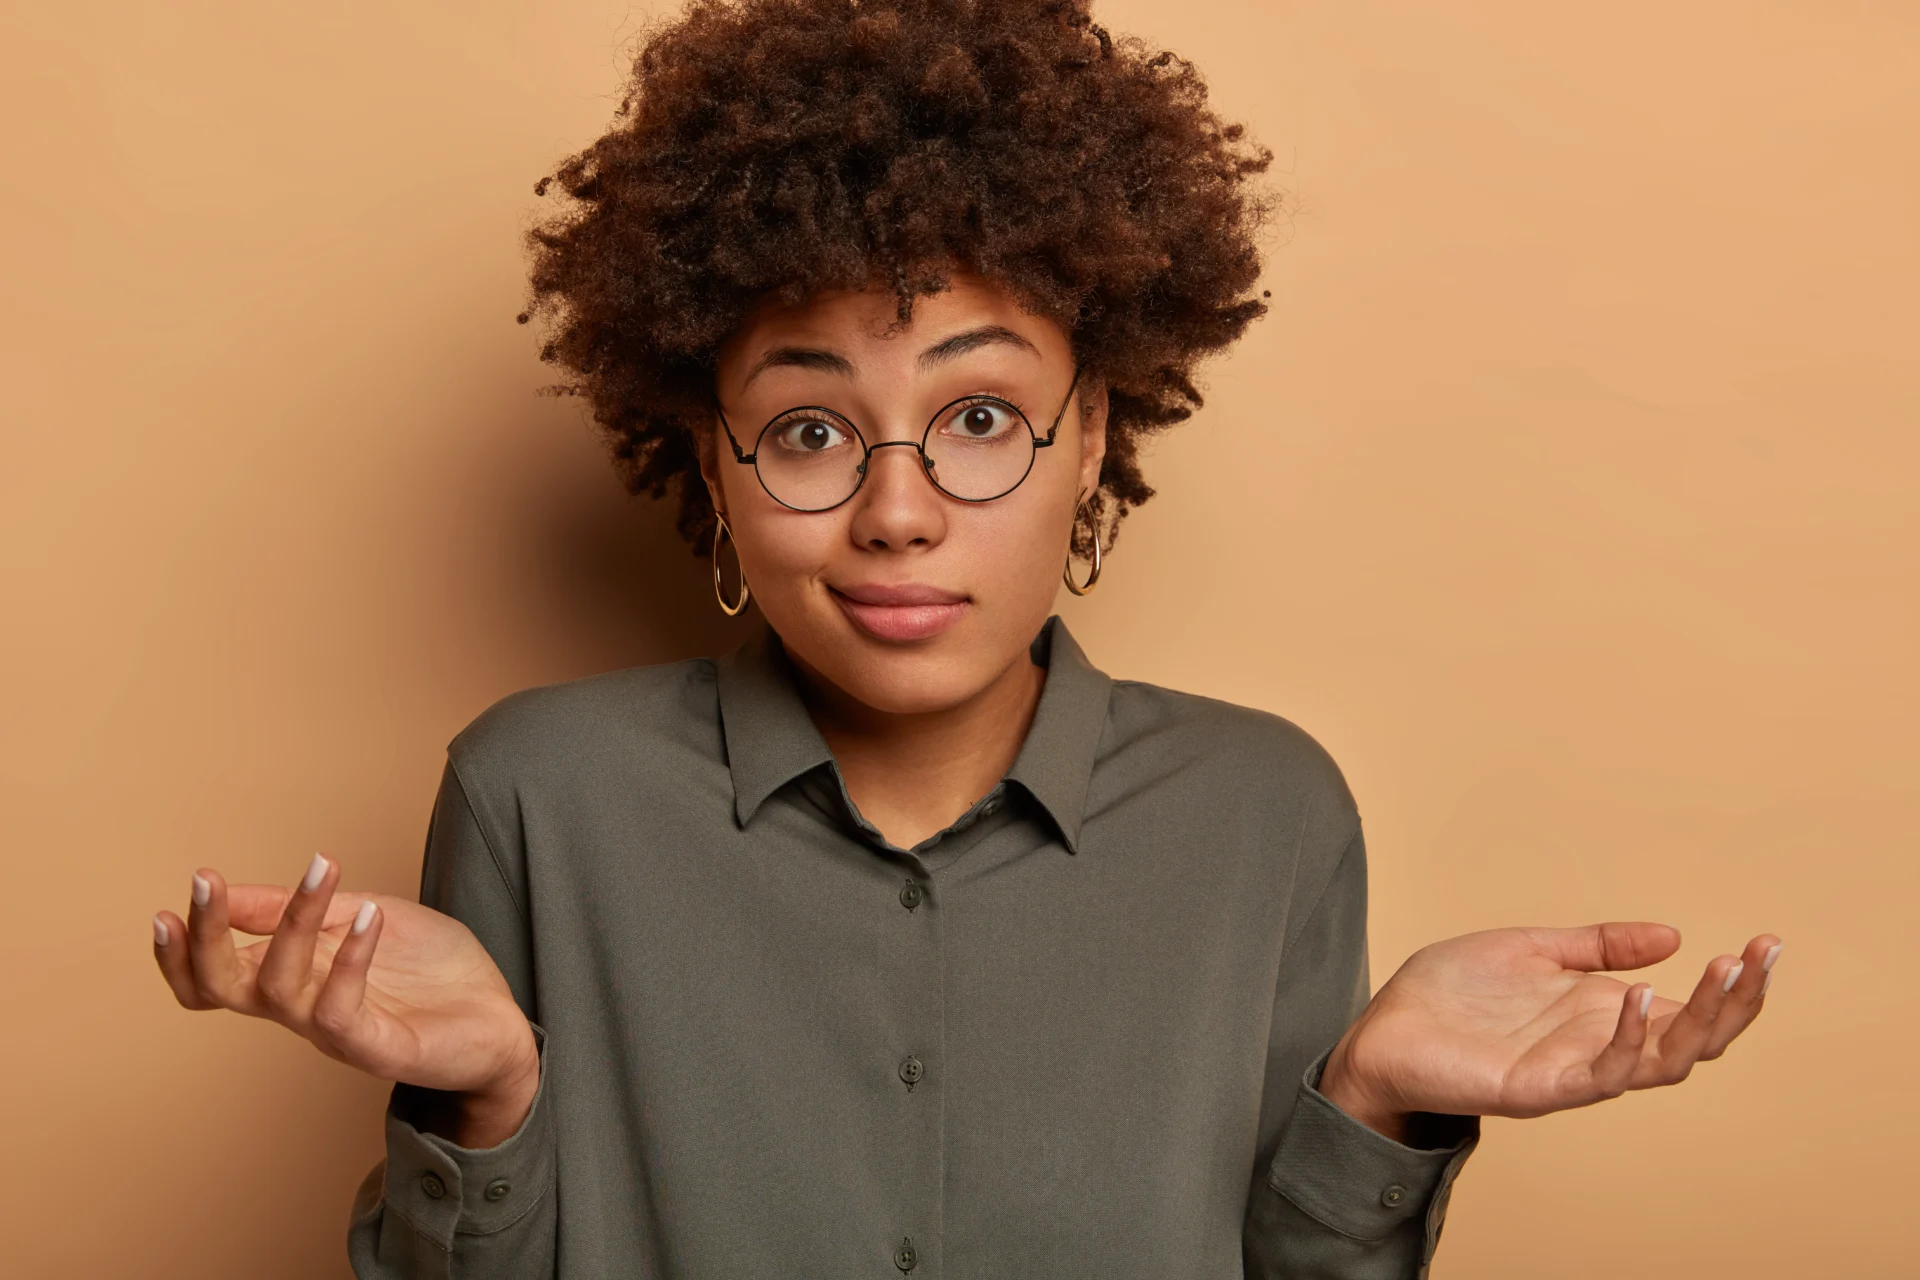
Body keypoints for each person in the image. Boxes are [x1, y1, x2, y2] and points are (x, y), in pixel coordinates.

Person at [149, 1, 1778, 1276]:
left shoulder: (1269, 814)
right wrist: (479, 1110)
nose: (899, 513)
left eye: (982, 415)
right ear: (711, 459)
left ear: (1093, 435)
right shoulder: (536, 794)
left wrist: (1376, 1112)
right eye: (806, 431)